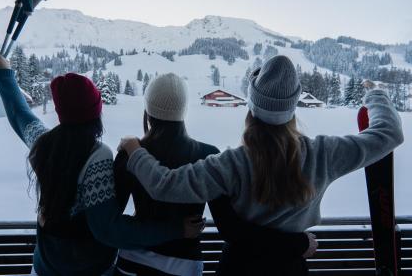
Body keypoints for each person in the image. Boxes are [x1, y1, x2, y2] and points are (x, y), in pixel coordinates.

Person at [118, 55, 404, 275]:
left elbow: (162, 185)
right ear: (292, 107)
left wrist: (135, 150)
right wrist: (375, 95)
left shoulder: (231, 164)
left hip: (238, 268)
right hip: (290, 268)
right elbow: (388, 134)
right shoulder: (324, 154)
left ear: (251, 105)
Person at [0, 53, 203, 276]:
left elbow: (19, 114)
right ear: (95, 112)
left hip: (44, 267)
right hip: (90, 270)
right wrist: (176, 229)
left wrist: (3, 72)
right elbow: (108, 230)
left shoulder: (44, 144)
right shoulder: (97, 156)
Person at [113, 73, 317, 276]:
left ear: (148, 111)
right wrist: (296, 242)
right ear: (183, 111)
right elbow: (231, 228)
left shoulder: (129, 154)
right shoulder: (206, 155)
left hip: (131, 263)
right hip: (183, 266)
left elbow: (111, 223)